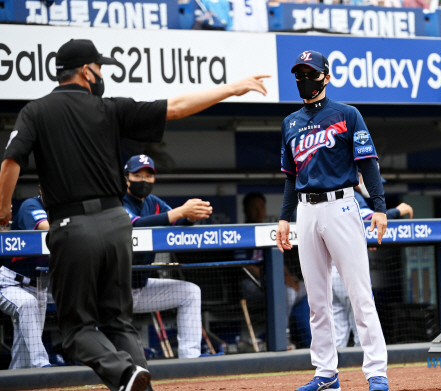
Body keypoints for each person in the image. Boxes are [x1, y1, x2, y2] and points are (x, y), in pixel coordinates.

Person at [0, 38, 267, 391]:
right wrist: (231, 89)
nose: (101, 74)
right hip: (116, 225)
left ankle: (125, 374)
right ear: (84, 70)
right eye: (98, 67)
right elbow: (176, 107)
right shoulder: (108, 108)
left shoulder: (36, 111)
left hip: (73, 226)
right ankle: (140, 384)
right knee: (119, 323)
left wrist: (3, 212)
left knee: (78, 329)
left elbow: (10, 162)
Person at [276, 50, 389, 391]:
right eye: (299, 73)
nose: (303, 79)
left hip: (342, 205)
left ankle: (376, 372)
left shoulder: (347, 114)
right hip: (305, 210)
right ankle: (326, 372)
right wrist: (284, 218)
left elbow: (367, 163)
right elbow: (290, 176)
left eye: (310, 72)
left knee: (359, 294)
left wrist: (380, 207)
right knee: (317, 299)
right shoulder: (290, 122)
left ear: (326, 76)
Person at [121, 154, 211, 358]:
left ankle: (191, 359)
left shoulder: (153, 203)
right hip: (111, 293)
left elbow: (175, 222)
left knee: (190, 292)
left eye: (148, 175)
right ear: (126, 178)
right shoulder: (117, 201)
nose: (143, 180)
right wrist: (181, 211)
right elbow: (135, 225)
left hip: (140, 289)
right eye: (137, 175)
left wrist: (189, 217)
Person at [332, 173, 412, 348]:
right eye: (370, 179)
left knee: (338, 332)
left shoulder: (332, 192)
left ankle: (337, 370)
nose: (374, 184)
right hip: (346, 270)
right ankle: (361, 368)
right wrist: (398, 211)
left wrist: (362, 241)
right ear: (359, 176)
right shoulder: (352, 195)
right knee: (360, 324)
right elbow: (370, 221)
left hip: (330, 270)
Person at [238, 192, 311, 348]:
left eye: (261, 207)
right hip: (250, 283)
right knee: (287, 292)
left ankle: (308, 337)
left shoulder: (269, 229)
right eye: (254, 208)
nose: (259, 211)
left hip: (271, 280)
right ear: (245, 210)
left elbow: (278, 260)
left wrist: (289, 278)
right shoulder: (241, 231)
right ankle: (281, 336)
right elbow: (245, 266)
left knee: (306, 288)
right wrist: (275, 279)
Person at [0, 193, 51, 369]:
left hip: (39, 287)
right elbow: (46, 229)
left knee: (24, 346)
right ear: (41, 188)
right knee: (27, 304)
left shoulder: (62, 209)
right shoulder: (32, 204)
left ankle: (15, 379)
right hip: (9, 282)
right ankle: (42, 364)